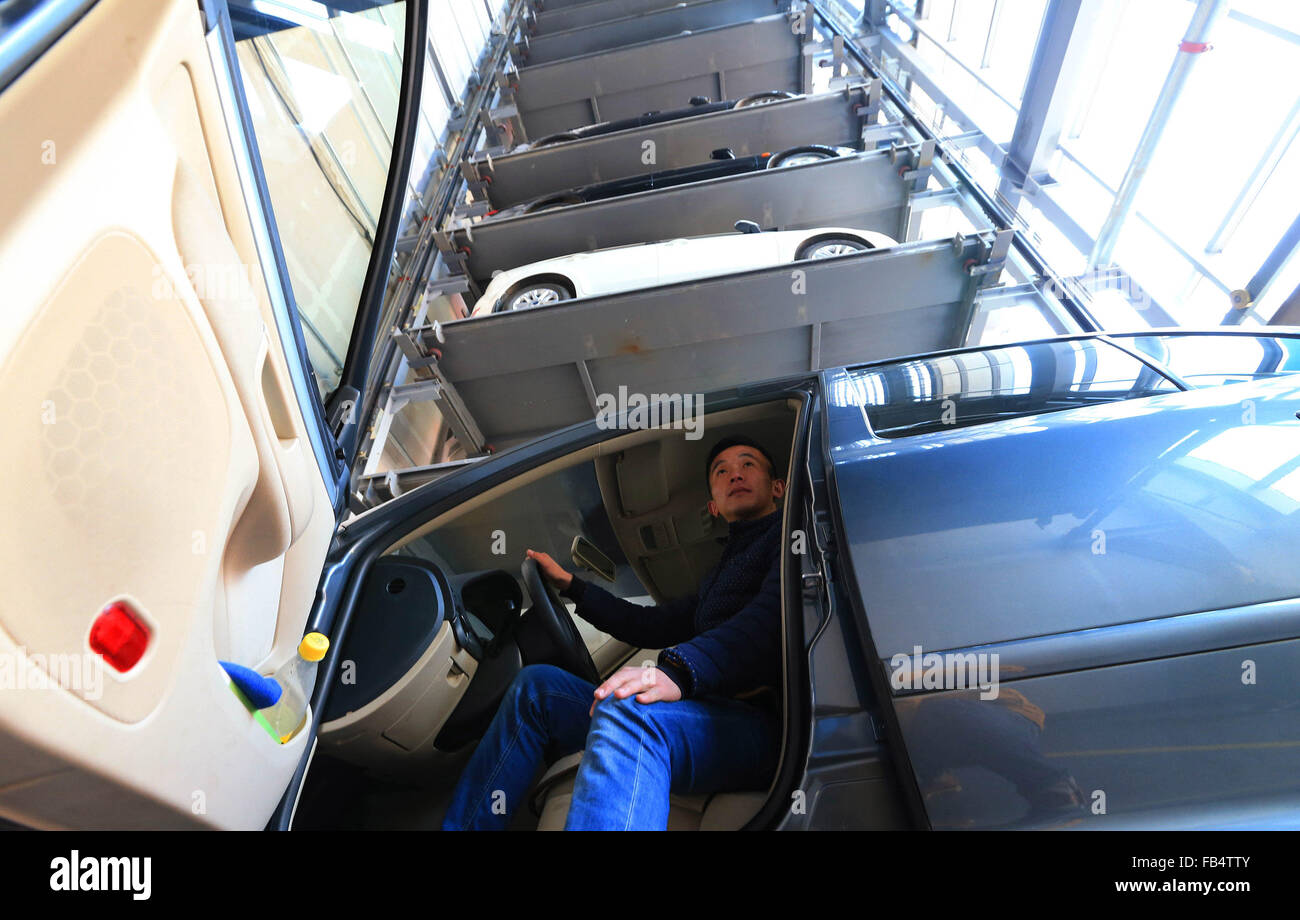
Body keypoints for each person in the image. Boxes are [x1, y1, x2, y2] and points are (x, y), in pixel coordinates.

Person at [441, 435, 786, 830]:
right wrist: (573, 586)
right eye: (721, 471)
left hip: (756, 727)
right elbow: (649, 625)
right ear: (713, 505)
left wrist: (674, 672)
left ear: (778, 487)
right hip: (703, 713)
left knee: (629, 709)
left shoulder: (789, 538)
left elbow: (769, 618)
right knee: (537, 688)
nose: (734, 475)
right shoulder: (720, 576)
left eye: (748, 465)